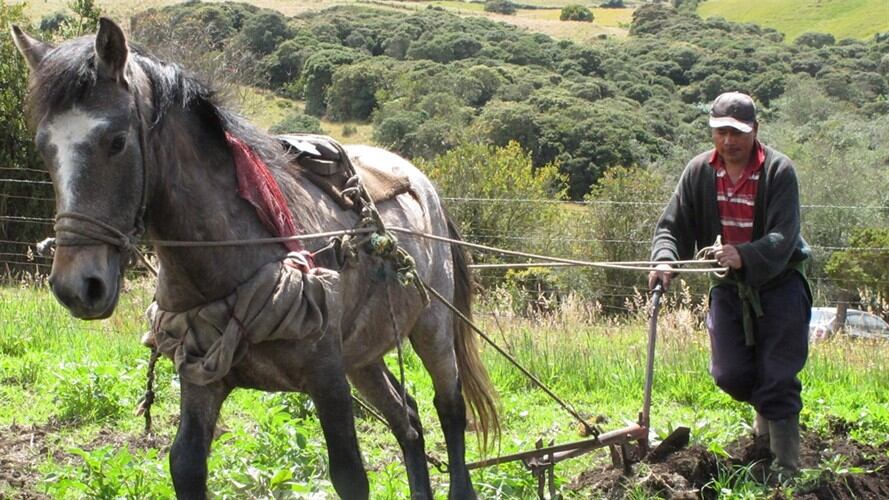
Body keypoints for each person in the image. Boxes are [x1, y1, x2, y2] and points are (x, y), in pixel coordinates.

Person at [649, 91, 812, 476]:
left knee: (778, 375)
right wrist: (664, 259)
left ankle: (785, 467)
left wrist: (746, 254)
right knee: (730, 374)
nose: (728, 141)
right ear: (712, 131)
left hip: (780, 282)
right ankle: (765, 426)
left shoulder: (779, 171)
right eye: (721, 131)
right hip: (728, 287)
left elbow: (783, 236)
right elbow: (673, 226)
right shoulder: (698, 172)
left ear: (754, 130)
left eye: (737, 132)